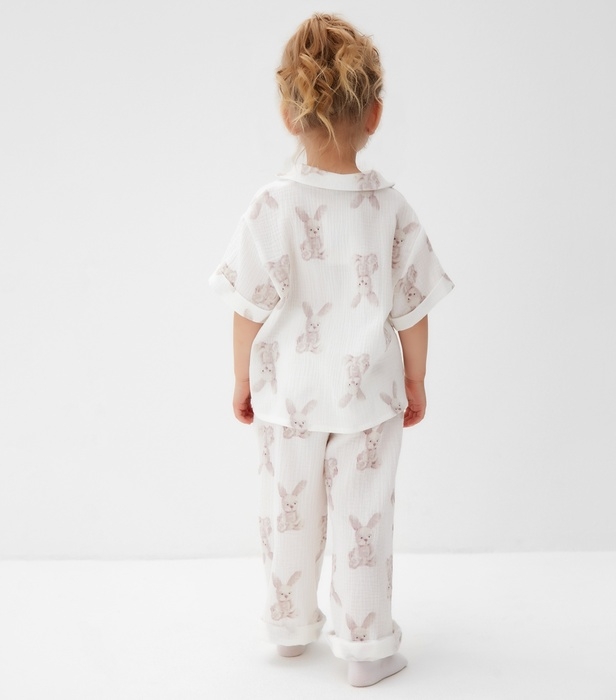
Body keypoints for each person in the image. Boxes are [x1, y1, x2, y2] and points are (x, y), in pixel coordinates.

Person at [209, 13, 454, 687]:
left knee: (286, 511)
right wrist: (416, 380)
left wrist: (242, 380)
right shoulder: (391, 208)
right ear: (375, 113)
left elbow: (247, 307)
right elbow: (413, 310)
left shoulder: (270, 206)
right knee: (362, 518)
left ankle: (289, 629)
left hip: (287, 394)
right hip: (367, 396)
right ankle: (366, 651)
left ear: (289, 115)